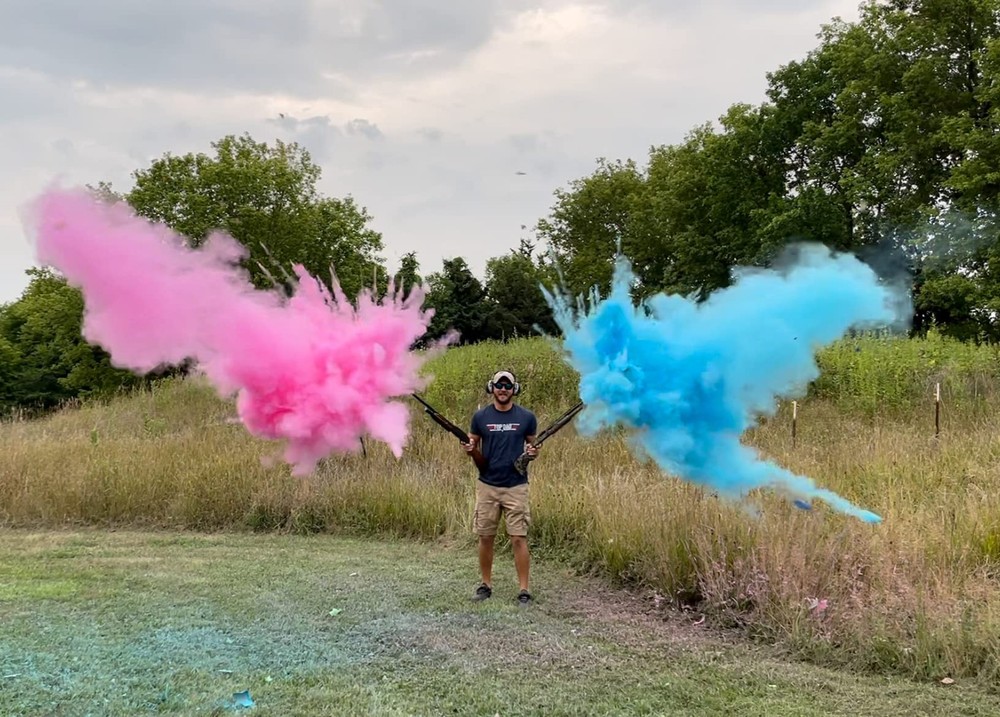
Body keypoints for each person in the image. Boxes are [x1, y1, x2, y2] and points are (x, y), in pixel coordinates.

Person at [462, 369, 539, 606]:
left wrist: (532, 454)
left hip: (516, 486)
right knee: (486, 537)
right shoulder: (480, 417)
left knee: (518, 538)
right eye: (499, 385)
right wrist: (470, 449)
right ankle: (485, 585)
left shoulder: (527, 417)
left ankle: (524, 590)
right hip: (487, 485)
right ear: (491, 388)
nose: (503, 389)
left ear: (514, 389)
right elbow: (473, 445)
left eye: (507, 386)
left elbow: (532, 448)